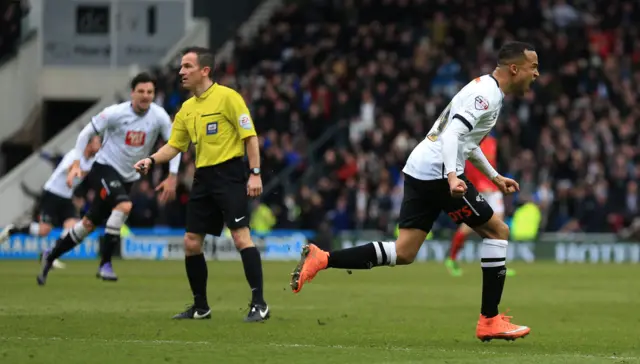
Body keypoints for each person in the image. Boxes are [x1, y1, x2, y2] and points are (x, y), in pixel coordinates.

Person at [290, 41, 538, 342]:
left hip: (420, 167)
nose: (536, 74)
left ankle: (322, 259)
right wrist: (450, 177)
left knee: (404, 251)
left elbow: (467, 143)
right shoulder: (487, 95)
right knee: (497, 231)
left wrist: (495, 177)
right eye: (533, 67)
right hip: (437, 173)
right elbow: (453, 135)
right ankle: (489, 319)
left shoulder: (485, 88)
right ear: (515, 68)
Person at [134, 46, 269, 322]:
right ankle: (201, 307)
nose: (181, 72)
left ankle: (259, 304)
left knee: (241, 237)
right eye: (181, 67)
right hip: (202, 178)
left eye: (187, 66)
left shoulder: (228, 98)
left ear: (204, 70)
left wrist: (254, 172)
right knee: (191, 242)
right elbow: (174, 146)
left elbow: (250, 136)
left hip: (229, 175)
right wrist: (151, 160)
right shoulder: (186, 108)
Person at [36, 72, 181, 285]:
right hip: (104, 169)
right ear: (132, 93)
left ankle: (51, 254)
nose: (145, 95)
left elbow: (174, 145)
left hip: (129, 177)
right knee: (124, 205)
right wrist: (76, 163)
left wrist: (172, 176)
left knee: (87, 224)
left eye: (150, 92)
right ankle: (105, 264)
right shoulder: (114, 113)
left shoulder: (159, 116)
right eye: (141, 91)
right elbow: (85, 133)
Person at [0, 136, 102, 269]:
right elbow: (69, 172)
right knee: (44, 231)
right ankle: (14, 229)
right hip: (52, 194)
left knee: (72, 226)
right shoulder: (75, 155)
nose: (99, 145)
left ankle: (50, 255)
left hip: (66, 197)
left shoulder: (92, 160)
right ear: (88, 145)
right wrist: (85, 172)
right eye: (97, 142)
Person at [444, 134, 515, 277]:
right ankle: (451, 259)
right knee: (468, 227)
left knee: (500, 228)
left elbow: (497, 163)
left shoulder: (493, 142)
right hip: (477, 190)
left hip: (493, 190)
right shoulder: (467, 140)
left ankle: (499, 266)